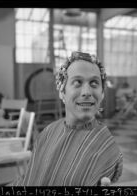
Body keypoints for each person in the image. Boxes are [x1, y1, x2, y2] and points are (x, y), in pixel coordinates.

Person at [13, 51, 123, 186]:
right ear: (62, 91)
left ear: (102, 93)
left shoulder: (105, 144)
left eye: (94, 83)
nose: (87, 92)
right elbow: (30, 176)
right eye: (77, 82)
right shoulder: (48, 133)